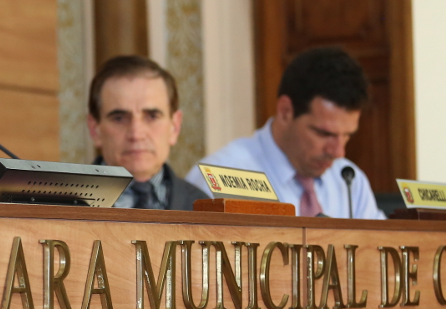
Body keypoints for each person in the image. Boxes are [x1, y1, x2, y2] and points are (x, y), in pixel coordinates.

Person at [185, 46, 383, 219]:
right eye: (324, 134)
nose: (339, 152)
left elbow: (379, 256)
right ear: (286, 111)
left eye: (347, 135)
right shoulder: (220, 175)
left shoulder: (349, 181)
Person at [87, 55, 205, 210]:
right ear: (95, 130)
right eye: (119, 118)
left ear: (175, 127)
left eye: (152, 117)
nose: (136, 134)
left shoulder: (203, 206)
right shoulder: (58, 207)